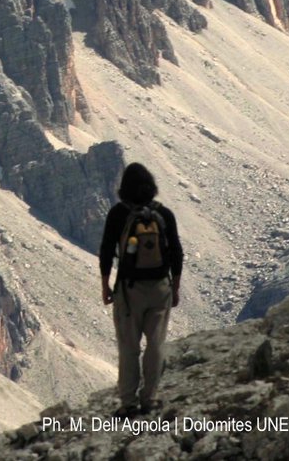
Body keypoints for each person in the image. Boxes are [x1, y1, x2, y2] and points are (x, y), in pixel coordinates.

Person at [98, 162, 183, 417]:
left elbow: (106, 251)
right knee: (156, 344)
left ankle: (128, 402)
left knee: (129, 346)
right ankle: (150, 398)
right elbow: (177, 253)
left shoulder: (118, 214)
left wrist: (105, 285)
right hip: (160, 288)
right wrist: (175, 288)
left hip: (128, 290)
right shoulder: (164, 214)